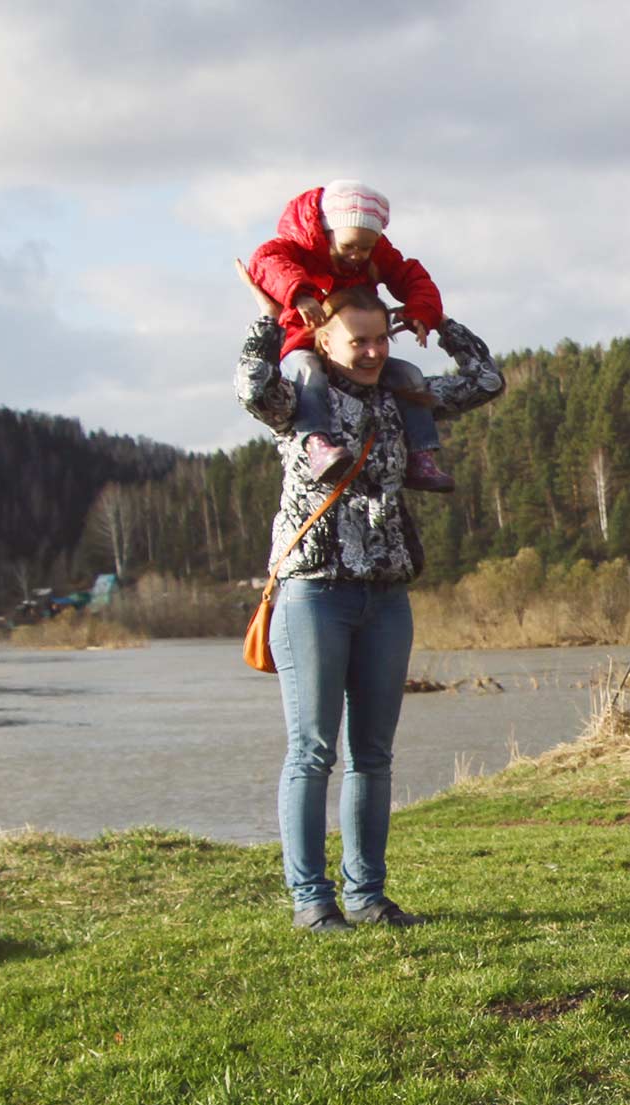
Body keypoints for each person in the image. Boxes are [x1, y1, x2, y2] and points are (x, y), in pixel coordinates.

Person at [234, 271, 504, 933]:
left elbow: (487, 378)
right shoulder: (298, 397)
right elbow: (249, 386)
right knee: (312, 751)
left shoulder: (402, 395)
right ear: (323, 339)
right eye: (359, 340)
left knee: (374, 754)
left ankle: (368, 895)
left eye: (381, 338)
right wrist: (272, 321)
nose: (374, 351)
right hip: (314, 591)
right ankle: (311, 901)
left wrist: (435, 322)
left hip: (386, 594)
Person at [245, 179, 459, 494]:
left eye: (365, 248)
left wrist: (421, 312)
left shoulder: (375, 253)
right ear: (327, 233)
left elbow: (410, 275)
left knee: (408, 375)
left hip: (356, 354)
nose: (357, 255)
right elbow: (266, 263)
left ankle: (421, 457)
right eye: (349, 247)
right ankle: (317, 443)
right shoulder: (298, 247)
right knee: (308, 374)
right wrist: (301, 294)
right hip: (303, 344)